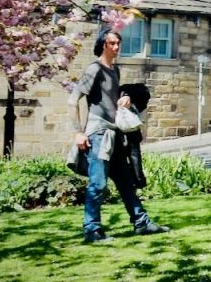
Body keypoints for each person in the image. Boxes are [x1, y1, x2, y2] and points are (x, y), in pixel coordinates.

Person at [69, 28, 169, 243]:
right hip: (98, 136)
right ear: (102, 44)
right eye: (111, 43)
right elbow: (73, 100)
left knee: (125, 182)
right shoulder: (93, 69)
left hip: (114, 135)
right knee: (98, 184)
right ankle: (92, 230)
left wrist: (126, 97)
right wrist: (78, 133)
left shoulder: (114, 70)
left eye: (118, 43)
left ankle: (141, 223)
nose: (116, 47)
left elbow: (112, 98)